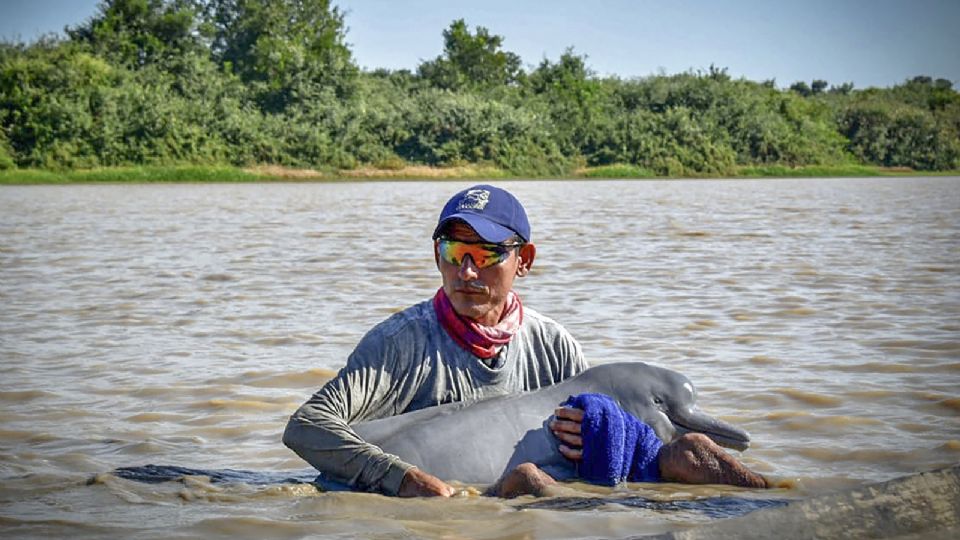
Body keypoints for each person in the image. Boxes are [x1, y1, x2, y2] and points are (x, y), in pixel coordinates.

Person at [283, 184, 768, 498]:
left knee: (680, 461)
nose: (466, 271)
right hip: (408, 496)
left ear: (525, 259)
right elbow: (307, 429)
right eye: (453, 251)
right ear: (437, 255)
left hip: (505, 499)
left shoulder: (554, 346)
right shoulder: (398, 344)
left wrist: (601, 437)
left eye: (486, 253)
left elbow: (598, 445)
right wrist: (404, 479)